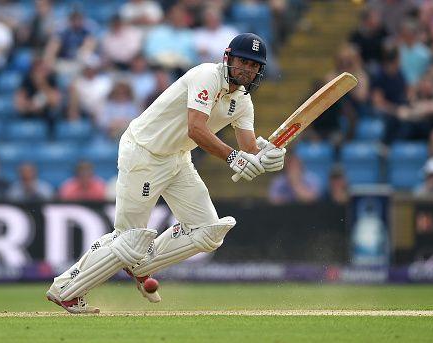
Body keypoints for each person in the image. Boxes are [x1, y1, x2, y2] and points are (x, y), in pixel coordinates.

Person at [46, 33, 286, 313]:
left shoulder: (243, 102)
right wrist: (234, 157)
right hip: (144, 152)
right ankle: (66, 289)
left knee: (208, 232)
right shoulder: (206, 75)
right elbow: (195, 128)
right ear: (229, 58)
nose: (248, 69)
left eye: (254, 65)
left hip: (177, 158)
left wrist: (267, 154)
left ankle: (141, 266)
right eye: (243, 61)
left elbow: (249, 149)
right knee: (129, 238)